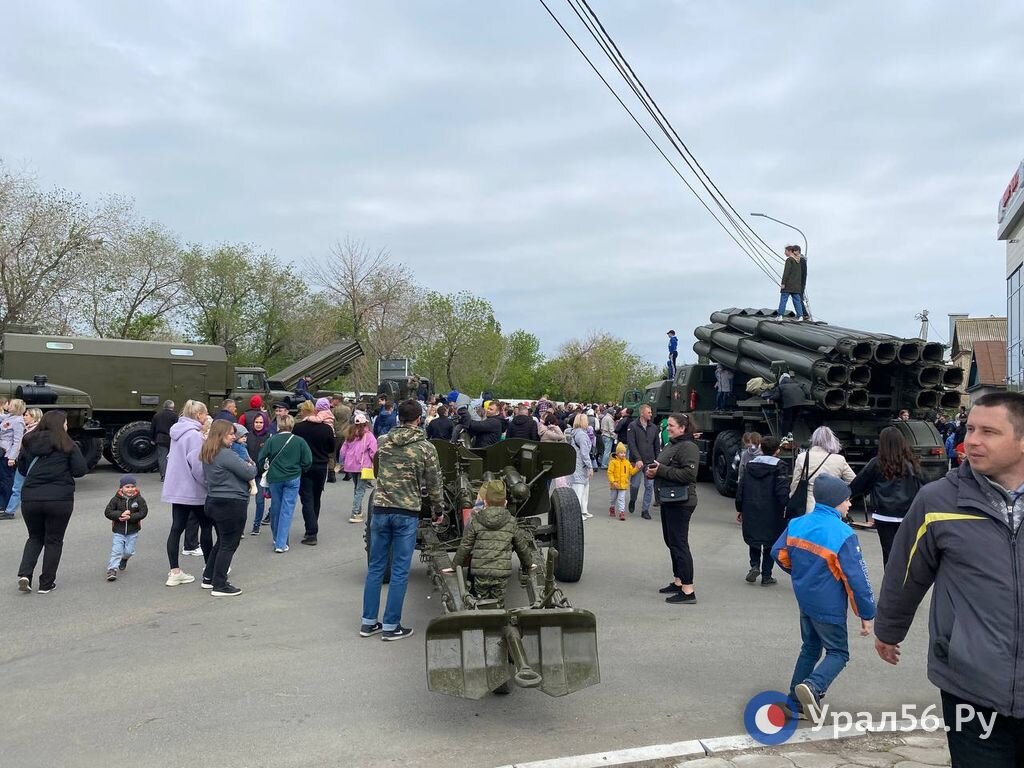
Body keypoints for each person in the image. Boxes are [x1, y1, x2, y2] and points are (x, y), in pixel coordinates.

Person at [876, 393, 1024, 763]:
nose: (971, 440)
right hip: (971, 685)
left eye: (988, 431)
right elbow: (906, 570)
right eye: (970, 428)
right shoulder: (938, 500)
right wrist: (889, 630)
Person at [772, 475, 875, 723]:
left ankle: (795, 703)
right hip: (829, 604)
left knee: (809, 647)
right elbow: (857, 579)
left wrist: (798, 573)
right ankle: (813, 686)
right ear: (836, 502)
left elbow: (779, 553)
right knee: (838, 652)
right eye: (847, 500)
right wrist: (867, 614)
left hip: (805, 598)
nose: (850, 505)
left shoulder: (798, 523)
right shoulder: (843, 533)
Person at [360, 400, 443, 641]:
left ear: (399, 417)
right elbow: (435, 484)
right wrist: (438, 510)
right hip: (406, 512)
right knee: (399, 570)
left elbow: (376, 470)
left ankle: (368, 622)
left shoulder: (383, 442)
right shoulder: (426, 448)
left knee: (376, 567)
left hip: (381, 509)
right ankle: (391, 625)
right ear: (419, 418)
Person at [14, 410, 88, 593]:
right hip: (59, 498)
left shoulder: (28, 441)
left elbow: (22, 469)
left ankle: (25, 574)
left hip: (31, 497)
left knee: (34, 537)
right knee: (54, 540)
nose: (67, 426)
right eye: (65, 423)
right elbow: (80, 470)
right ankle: (46, 584)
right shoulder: (68, 444)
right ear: (60, 424)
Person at [443, 480, 535, 607]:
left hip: (481, 573)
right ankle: (498, 621)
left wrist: (454, 566)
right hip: (501, 573)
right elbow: (521, 546)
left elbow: (465, 546)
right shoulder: (511, 522)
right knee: (499, 604)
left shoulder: (476, 520)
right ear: (506, 503)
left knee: (481, 603)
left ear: (485, 502)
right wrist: (529, 564)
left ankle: (483, 620)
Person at [848, 426, 923, 567]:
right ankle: (906, 584)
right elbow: (922, 487)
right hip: (907, 515)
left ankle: (891, 585)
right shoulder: (912, 463)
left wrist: (848, 497)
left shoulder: (876, 463)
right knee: (907, 552)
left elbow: (858, 485)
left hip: (884, 515)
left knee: (888, 553)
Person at [646, 413, 700, 603]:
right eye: (667, 425)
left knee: (679, 544)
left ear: (682, 428)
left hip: (681, 502)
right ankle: (678, 581)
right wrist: (653, 472)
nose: (667, 428)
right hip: (669, 500)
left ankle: (688, 590)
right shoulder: (674, 444)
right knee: (671, 542)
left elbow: (688, 475)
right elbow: (663, 466)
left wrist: (660, 471)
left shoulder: (688, 447)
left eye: (671, 425)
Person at [199, 419, 256, 596]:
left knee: (223, 541)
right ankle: (220, 584)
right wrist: (252, 466)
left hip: (214, 500)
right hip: (231, 502)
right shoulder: (226, 454)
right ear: (221, 434)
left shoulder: (209, 452)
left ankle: (209, 577)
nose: (234, 437)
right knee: (229, 544)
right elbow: (249, 472)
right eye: (231, 433)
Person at [162, 400, 213, 586]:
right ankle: (210, 568)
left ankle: (174, 571)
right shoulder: (194, 436)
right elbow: (198, 466)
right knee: (206, 527)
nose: (207, 416)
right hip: (194, 489)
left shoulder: (177, 432)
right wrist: (208, 484)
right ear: (199, 415)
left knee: (176, 528)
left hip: (177, 489)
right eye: (205, 413)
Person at [736, 436, 787, 586]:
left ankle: (754, 565)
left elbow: (741, 488)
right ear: (777, 450)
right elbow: (781, 489)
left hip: (751, 507)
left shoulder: (750, 465)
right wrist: (786, 506)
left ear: (761, 448)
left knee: (754, 539)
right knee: (770, 541)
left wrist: (740, 508)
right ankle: (766, 575)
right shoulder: (780, 466)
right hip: (772, 509)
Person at [258, 415, 312, 554]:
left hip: (275, 478)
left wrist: (263, 470)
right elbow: (307, 460)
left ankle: (277, 538)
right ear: (292, 425)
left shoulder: (271, 440)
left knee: (276, 507)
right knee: (287, 509)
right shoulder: (300, 441)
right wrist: (300, 468)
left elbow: (261, 458)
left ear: (278, 425)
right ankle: (281, 543)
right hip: (293, 477)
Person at [292, 400, 336, 545]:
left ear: (303, 411)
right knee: (316, 498)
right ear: (315, 411)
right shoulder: (326, 429)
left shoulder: (298, 428)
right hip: (321, 465)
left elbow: (295, 446)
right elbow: (331, 448)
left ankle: (311, 531)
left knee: (307, 499)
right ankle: (312, 526)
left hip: (304, 466)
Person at [790, 426, 856, 515]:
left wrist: (792, 498)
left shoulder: (803, 457)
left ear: (813, 440)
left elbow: (795, 483)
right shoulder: (839, 459)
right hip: (833, 505)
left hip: (809, 505)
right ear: (832, 440)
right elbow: (853, 480)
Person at [104, 474, 148, 582]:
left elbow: (143, 512)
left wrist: (131, 516)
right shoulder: (116, 499)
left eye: (132, 486)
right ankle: (112, 569)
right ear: (121, 488)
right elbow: (108, 512)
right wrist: (120, 515)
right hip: (119, 530)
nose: (130, 489)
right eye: (127, 487)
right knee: (117, 550)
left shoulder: (139, 499)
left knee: (129, 551)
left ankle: (124, 559)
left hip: (133, 530)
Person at [2, 407, 41, 520]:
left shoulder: (37, 431)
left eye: (27, 415)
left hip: (31, 463)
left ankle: (37, 510)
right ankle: (9, 511)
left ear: (34, 417)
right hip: (23, 462)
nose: (24, 417)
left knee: (31, 487)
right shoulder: (26, 429)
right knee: (17, 487)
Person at [339, 411, 377, 524]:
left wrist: (343, 462)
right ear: (366, 423)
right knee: (360, 490)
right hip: (363, 466)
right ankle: (355, 513)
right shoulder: (368, 435)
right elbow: (373, 451)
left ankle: (358, 511)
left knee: (357, 488)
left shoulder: (350, 435)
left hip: (351, 466)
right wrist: (374, 463)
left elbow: (342, 451)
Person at [627, 404, 661, 519]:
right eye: (649, 412)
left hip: (650, 461)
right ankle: (632, 500)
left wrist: (657, 460)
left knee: (649, 486)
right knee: (635, 485)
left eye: (651, 412)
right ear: (642, 413)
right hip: (636, 462)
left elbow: (657, 445)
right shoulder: (632, 426)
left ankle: (645, 510)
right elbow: (631, 444)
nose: (651, 414)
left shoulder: (654, 428)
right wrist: (637, 459)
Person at [245, 412, 272, 535]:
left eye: (261, 422)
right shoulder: (248, 436)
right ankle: (240, 528)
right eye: (256, 422)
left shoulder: (269, 437)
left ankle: (256, 525)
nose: (258, 424)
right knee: (244, 502)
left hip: (261, 474)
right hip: (247, 472)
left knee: (260, 501)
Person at [0, 398, 27, 513]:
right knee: (2, 479)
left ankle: (7, 504)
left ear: (16, 407)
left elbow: (17, 441)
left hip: (7, 453)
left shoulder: (18, 421)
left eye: (10, 405)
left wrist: (12, 457)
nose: (8, 406)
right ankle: (2, 503)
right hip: (2, 451)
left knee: (7, 479)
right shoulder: (9, 417)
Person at [567, 413, 595, 520]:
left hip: (577, 463)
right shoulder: (582, 435)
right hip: (580, 465)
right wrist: (590, 466)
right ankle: (577, 513)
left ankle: (583, 511)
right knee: (579, 489)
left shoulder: (574, 433)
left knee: (583, 488)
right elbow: (584, 453)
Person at [607, 442, 639, 520]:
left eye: (624, 453)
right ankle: (612, 507)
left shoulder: (627, 462)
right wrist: (613, 481)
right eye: (621, 453)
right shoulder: (613, 462)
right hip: (614, 485)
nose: (623, 454)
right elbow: (610, 473)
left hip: (623, 485)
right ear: (617, 453)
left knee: (621, 499)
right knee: (613, 498)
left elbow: (631, 472)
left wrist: (637, 468)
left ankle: (622, 512)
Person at [776, 245, 806, 320]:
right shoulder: (799, 261)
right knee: (797, 301)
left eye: (786, 251)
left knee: (783, 299)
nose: (785, 253)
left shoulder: (789, 260)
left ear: (790, 251)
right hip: (796, 286)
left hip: (788, 284)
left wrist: (783, 283)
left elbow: (786, 272)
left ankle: (780, 315)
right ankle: (800, 316)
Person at [150, 400, 177, 481]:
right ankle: (171, 475)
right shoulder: (174, 416)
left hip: (160, 438)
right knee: (172, 457)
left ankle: (163, 476)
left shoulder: (157, 415)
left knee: (162, 458)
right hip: (171, 439)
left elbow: (152, 428)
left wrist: (152, 439)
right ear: (172, 407)